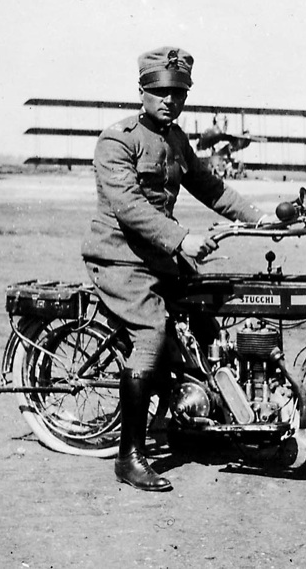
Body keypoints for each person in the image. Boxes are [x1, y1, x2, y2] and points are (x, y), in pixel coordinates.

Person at [81, 46, 269, 492]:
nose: (170, 100)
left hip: (159, 255)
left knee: (208, 313)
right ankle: (130, 456)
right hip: (120, 256)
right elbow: (127, 206)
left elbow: (211, 188)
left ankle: (204, 413)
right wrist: (181, 238)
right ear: (142, 90)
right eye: (161, 91)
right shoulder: (117, 139)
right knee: (151, 333)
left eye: (179, 92)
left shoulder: (177, 140)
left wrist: (262, 220)